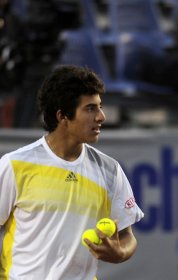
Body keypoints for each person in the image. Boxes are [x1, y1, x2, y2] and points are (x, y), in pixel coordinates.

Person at [0, 65, 144, 279]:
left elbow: (127, 236)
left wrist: (120, 252)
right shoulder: (14, 165)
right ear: (62, 116)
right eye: (90, 109)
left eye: (100, 107)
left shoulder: (110, 170)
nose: (101, 116)